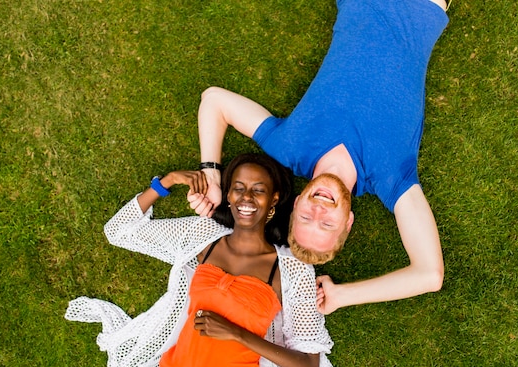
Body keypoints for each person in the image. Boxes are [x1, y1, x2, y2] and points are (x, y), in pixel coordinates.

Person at [65, 153, 400, 367]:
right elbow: (119, 232)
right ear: (227, 196)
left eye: (259, 190)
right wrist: (165, 182)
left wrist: (239, 333)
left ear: (274, 202)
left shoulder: (292, 270)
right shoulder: (202, 237)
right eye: (238, 187)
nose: (246, 197)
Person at [190, 0, 449, 315]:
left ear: (297, 202)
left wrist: (212, 175)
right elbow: (429, 274)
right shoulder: (392, 179)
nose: (319, 209)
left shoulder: (289, 147)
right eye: (327, 223)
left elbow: (214, 100)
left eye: (306, 217)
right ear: (348, 222)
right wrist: (341, 296)